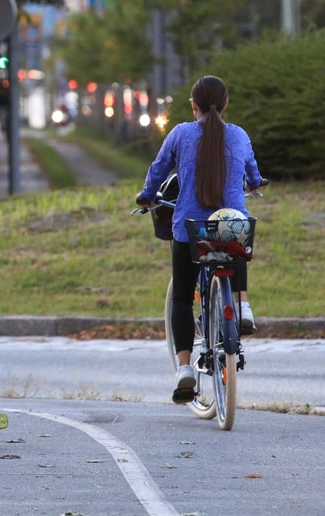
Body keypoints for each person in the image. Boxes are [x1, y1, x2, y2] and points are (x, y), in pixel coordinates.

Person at [135, 75, 265, 404]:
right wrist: (253, 183)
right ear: (225, 105)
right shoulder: (239, 135)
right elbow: (252, 173)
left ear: (194, 106)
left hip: (189, 230)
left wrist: (147, 195)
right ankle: (243, 306)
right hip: (229, 228)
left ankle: (184, 370)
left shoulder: (180, 134)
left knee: (181, 296)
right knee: (237, 231)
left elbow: (159, 169)